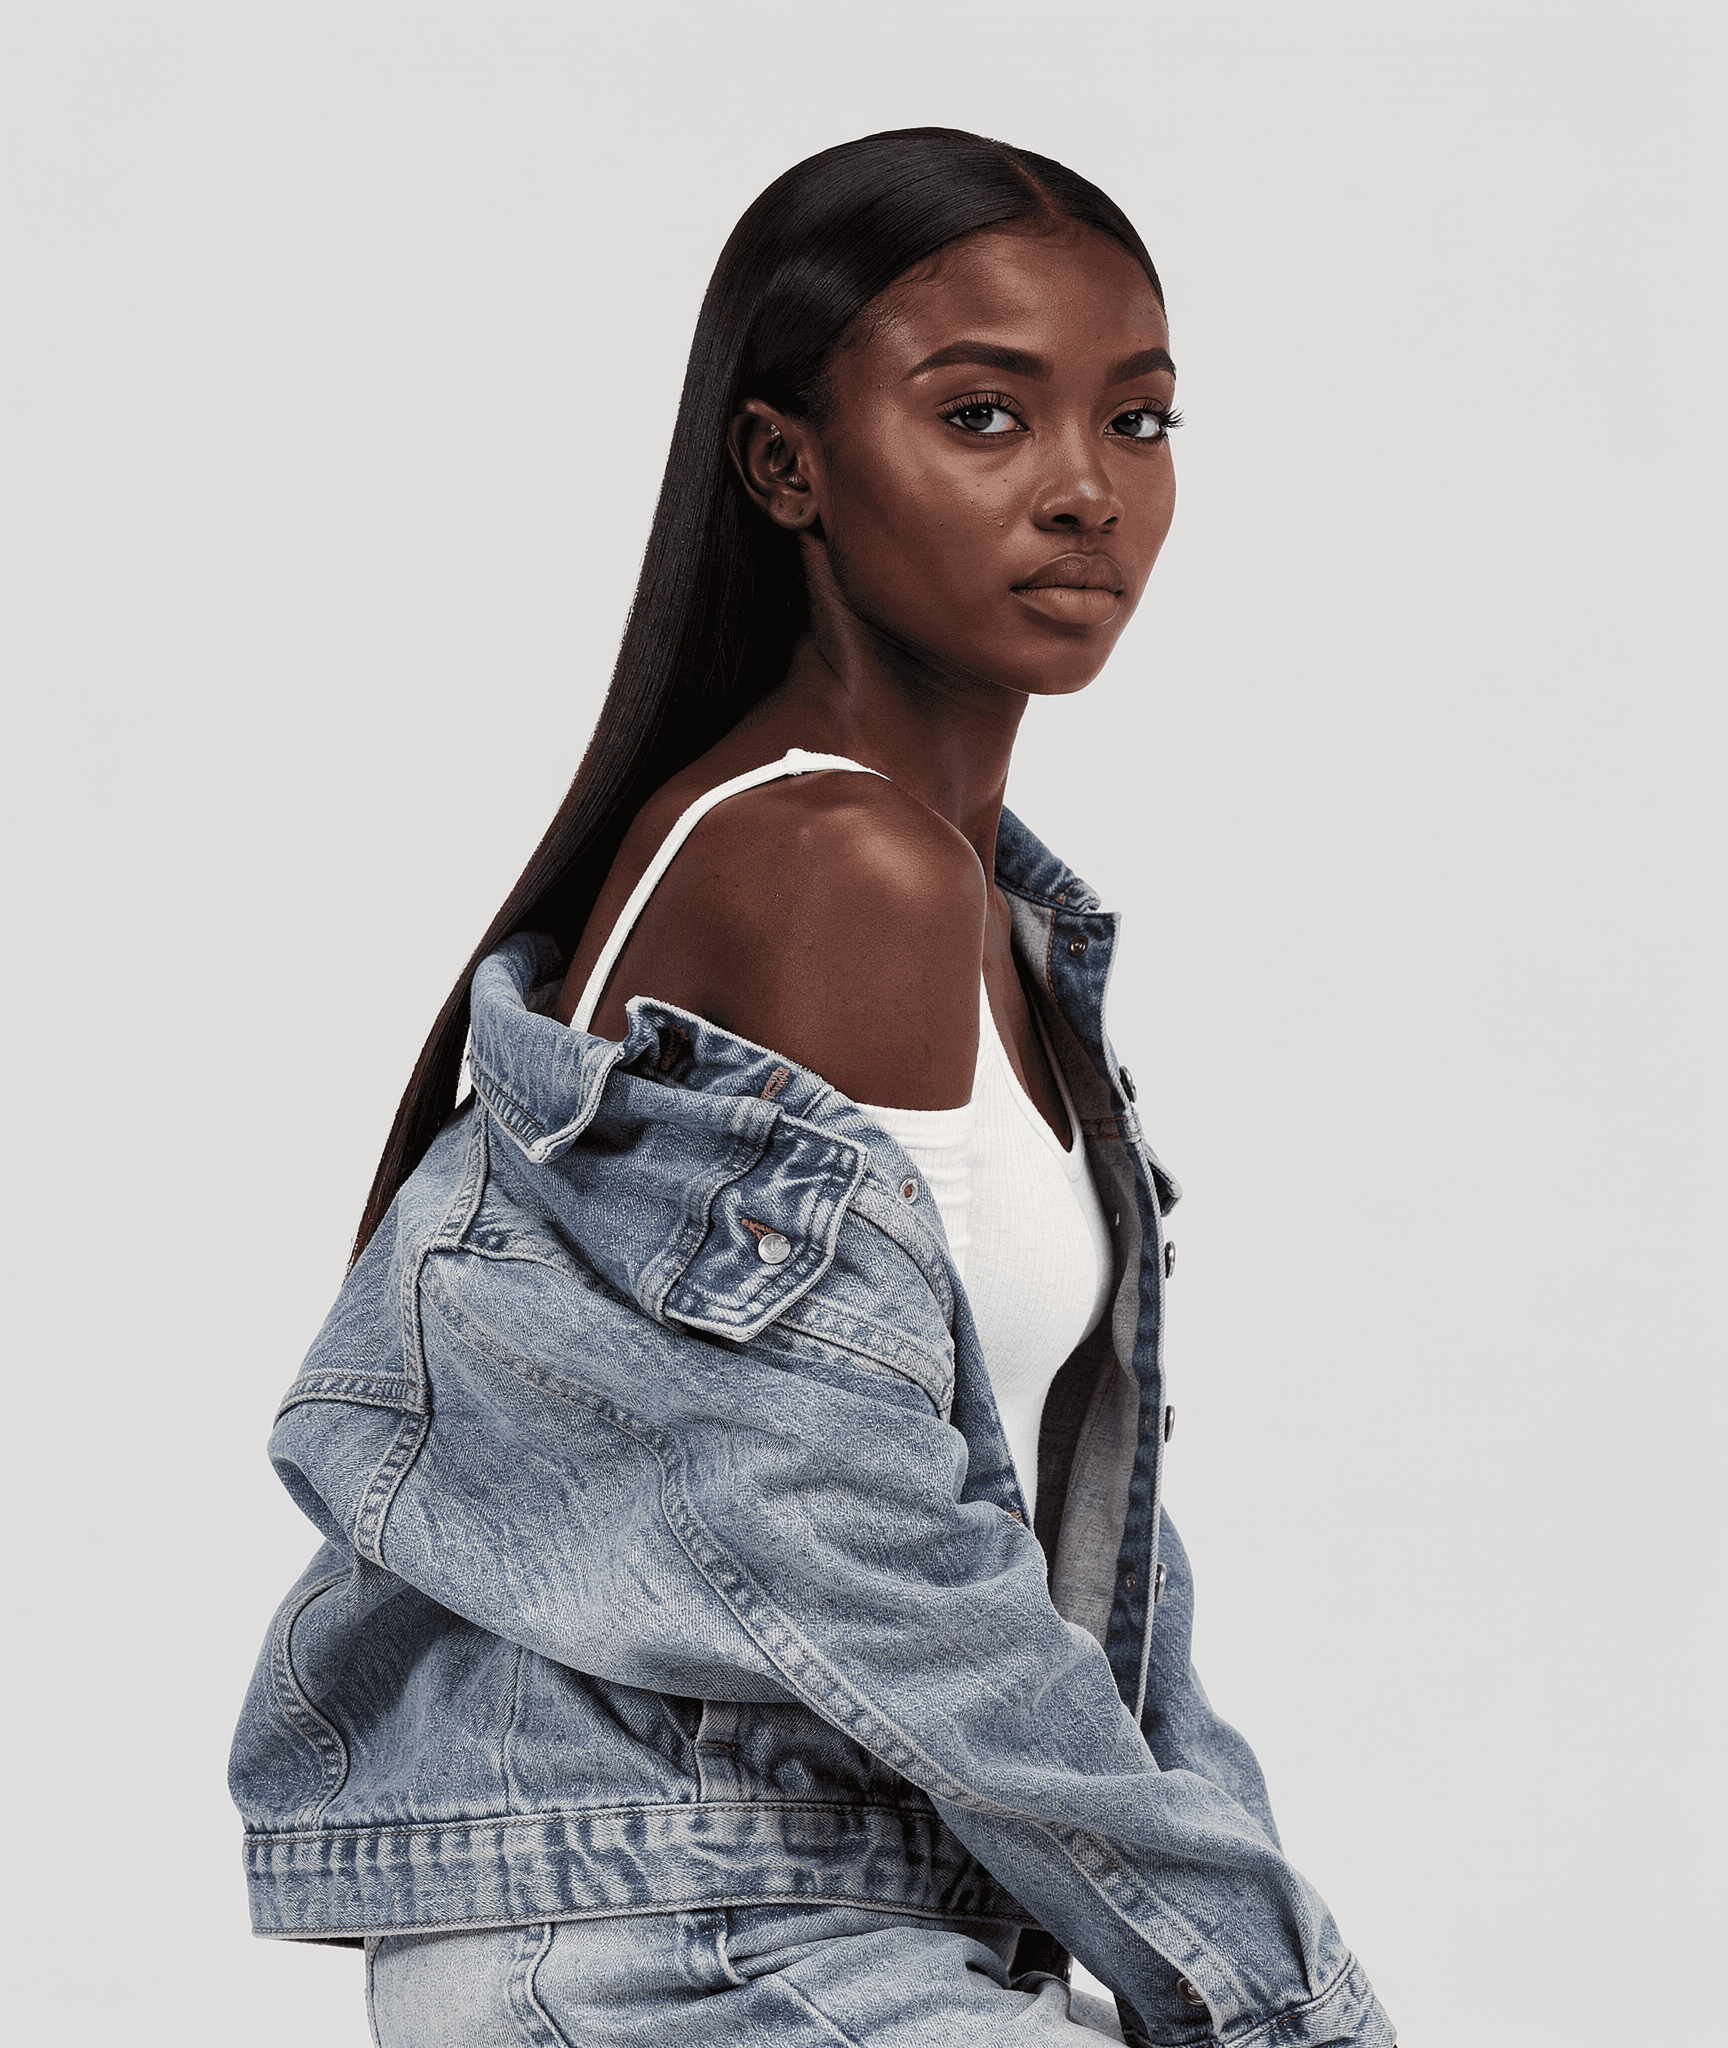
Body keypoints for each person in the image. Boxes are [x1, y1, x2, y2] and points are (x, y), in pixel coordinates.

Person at [230, 129, 1396, 2047]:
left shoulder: (1002, 929)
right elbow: (860, 1553)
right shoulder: (831, 867)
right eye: (986, 417)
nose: (1087, 493)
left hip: (832, 1909)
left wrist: (1248, 1963)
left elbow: (1070, 1565)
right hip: (681, 1933)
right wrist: (1277, 1991)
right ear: (788, 465)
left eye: (1144, 421)